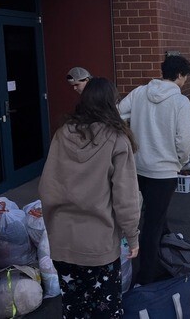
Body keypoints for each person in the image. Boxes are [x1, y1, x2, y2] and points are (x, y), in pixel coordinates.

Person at [39, 77, 140, 319]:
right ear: (111, 104)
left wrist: (53, 225)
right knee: (106, 311)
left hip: (63, 242)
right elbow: (125, 197)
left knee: (74, 308)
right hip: (99, 245)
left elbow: (47, 188)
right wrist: (132, 236)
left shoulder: (62, 134)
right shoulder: (117, 139)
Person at [118, 54, 190, 285]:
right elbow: (184, 141)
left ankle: (164, 252)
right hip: (164, 172)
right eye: (185, 77)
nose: (185, 81)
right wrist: (181, 162)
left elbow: (118, 113)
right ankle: (146, 277)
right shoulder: (180, 102)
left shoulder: (140, 92)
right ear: (180, 75)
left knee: (149, 217)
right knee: (152, 223)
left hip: (138, 167)